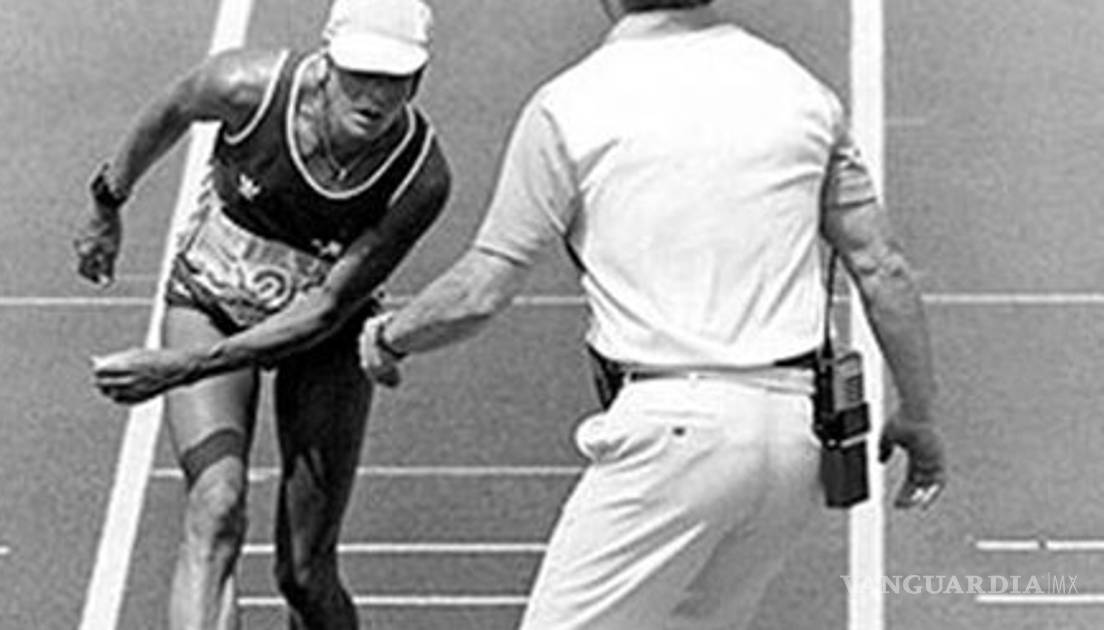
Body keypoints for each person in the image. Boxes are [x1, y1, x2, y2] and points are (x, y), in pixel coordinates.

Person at [358, 0, 947, 628]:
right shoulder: (802, 93)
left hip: (672, 436)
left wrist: (390, 336)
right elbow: (881, 268)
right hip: (794, 441)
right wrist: (918, 414)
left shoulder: (568, 106)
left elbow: (482, 289)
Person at [73, 0, 450, 627]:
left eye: (394, 79)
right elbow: (172, 108)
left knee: (304, 573)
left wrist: (180, 366)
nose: (374, 96)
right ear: (327, 62)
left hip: (322, 336)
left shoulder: (421, 179)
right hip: (211, 300)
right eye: (361, 73)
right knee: (215, 506)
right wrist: (107, 201)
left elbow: (325, 309)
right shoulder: (245, 86)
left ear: (418, 79)